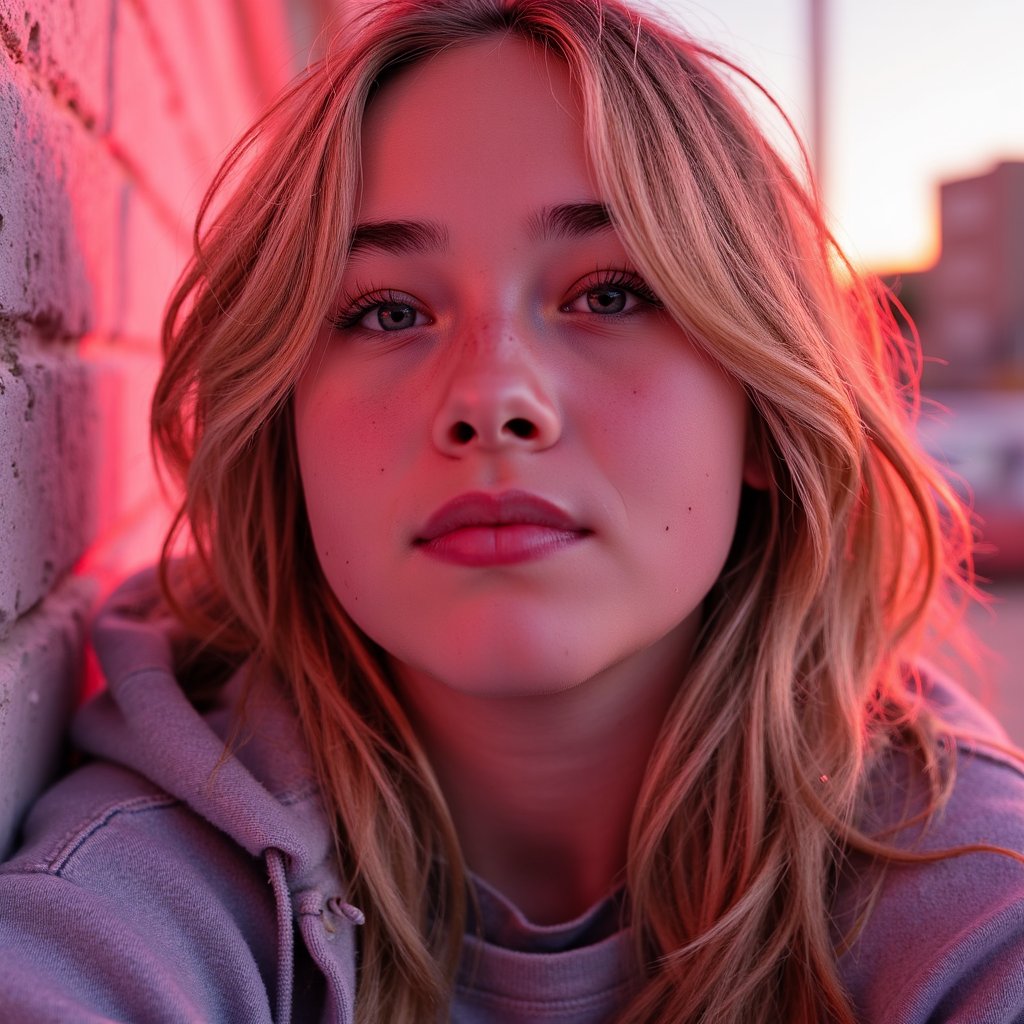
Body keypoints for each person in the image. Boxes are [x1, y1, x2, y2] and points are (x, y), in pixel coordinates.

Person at [1, 0, 1022, 1021]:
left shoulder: (973, 901)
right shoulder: (142, 891)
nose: (491, 397)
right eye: (388, 310)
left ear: (760, 409)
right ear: (286, 429)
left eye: (609, 294)